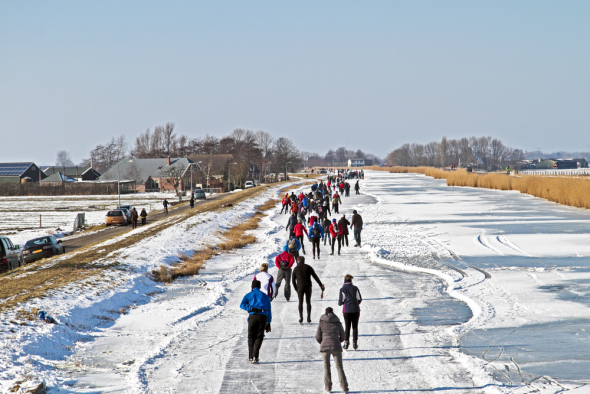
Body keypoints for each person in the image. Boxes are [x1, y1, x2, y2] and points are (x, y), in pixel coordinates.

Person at [316, 307, 348, 393]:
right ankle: (344, 387)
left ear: (325, 313)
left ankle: (328, 387)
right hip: (336, 346)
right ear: (333, 312)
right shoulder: (338, 322)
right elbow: (343, 336)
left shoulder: (322, 322)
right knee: (339, 367)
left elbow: (318, 336)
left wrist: (322, 342)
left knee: (327, 367)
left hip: (324, 347)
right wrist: (338, 341)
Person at [240, 280, 272, 363]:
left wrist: (251, 308)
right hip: (263, 316)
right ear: (260, 287)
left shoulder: (248, 295)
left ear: (252, 287)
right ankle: (256, 356)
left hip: (252, 316)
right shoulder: (265, 296)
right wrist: (268, 322)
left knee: (251, 337)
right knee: (259, 336)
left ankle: (251, 357)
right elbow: (269, 310)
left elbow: (242, 305)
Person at [292, 256, 325, 324]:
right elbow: (315, 277)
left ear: (298, 261)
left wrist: (296, 288)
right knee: (308, 302)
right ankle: (309, 317)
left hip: (300, 287)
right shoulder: (308, 267)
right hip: (308, 286)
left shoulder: (295, 269)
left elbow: (293, 281)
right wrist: (321, 285)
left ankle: (301, 318)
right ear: (304, 261)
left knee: (300, 302)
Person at [338, 274, 362, 350]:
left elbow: (340, 302)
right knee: (355, 326)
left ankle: (346, 343)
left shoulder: (342, 289)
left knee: (347, 327)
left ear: (345, 281)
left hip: (347, 310)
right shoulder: (355, 288)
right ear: (351, 280)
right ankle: (355, 343)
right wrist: (355, 303)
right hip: (355, 310)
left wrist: (344, 303)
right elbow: (359, 299)